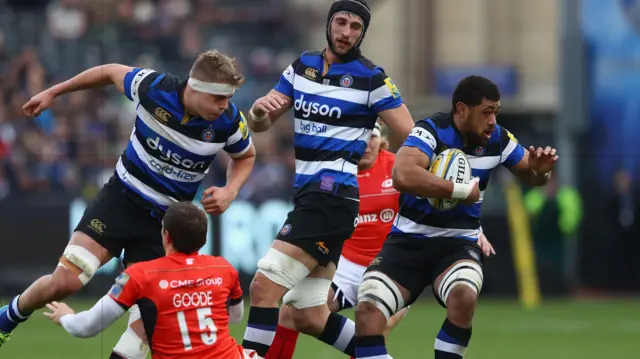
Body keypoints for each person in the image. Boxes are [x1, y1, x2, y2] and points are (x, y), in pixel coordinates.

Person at [0, 50, 256, 359]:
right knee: (65, 281)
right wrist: (55, 91)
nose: (225, 106)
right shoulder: (153, 88)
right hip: (120, 201)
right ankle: (7, 319)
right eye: (220, 98)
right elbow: (109, 71)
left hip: (165, 226)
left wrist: (231, 189)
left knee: (148, 322)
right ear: (197, 88)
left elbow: (246, 156)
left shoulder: (229, 122)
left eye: (229, 99)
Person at [241, 1, 415, 358]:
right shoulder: (301, 67)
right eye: (341, 22)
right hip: (309, 197)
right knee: (306, 314)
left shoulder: (372, 77)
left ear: (362, 33)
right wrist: (258, 112)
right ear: (329, 23)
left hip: (331, 197)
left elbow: (412, 135)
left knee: (263, 288)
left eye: (355, 27)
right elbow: (261, 123)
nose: (346, 32)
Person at [352, 75, 558, 359]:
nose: (493, 121)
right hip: (407, 241)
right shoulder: (431, 131)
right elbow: (402, 175)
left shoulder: (498, 139)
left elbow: (532, 176)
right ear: (462, 110)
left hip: (458, 244)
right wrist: (459, 190)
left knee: (464, 294)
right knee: (367, 313)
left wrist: (540, 170)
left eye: (496, 112)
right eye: (487, 112)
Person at [43, 202, 260, 359]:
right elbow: (235, 317)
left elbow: (87, 327)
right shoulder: (223, 268)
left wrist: (66, 317)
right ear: (203, 239)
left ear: (165, 236)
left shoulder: (140, 275)